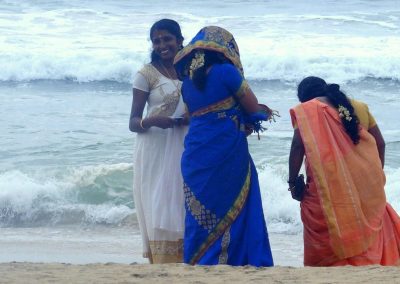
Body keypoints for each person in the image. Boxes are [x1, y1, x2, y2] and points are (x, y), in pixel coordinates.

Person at [173, 26, 276, 266]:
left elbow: (196, 115)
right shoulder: (226, 72)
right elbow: (254, 110)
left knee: (201, 213)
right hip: (227, 152)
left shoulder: (186, 83)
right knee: (236, 204)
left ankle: (199, 261)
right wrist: (264, 112)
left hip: (196, 154)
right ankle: (236, 261)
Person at [288, 76, 400, 266]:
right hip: (364, 184)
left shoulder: (307, 111)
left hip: (327, 189)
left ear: (304, 99)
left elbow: (298, 147)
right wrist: (374, 175)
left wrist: (292, 182)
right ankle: (370, 264)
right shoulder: (360, 107)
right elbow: (379, 143)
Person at [129, 19, 187, 263]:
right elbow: (133, 121)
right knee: (157, 201)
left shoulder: (190, 70)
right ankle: (162, 262)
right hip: (154, 146)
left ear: (179, 41)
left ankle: (185, 255)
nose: (162, 44)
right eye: (157, 41)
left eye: (167, 39)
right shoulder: (146, 74)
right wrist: (151, 121)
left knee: (181, 199)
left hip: (183, 144)